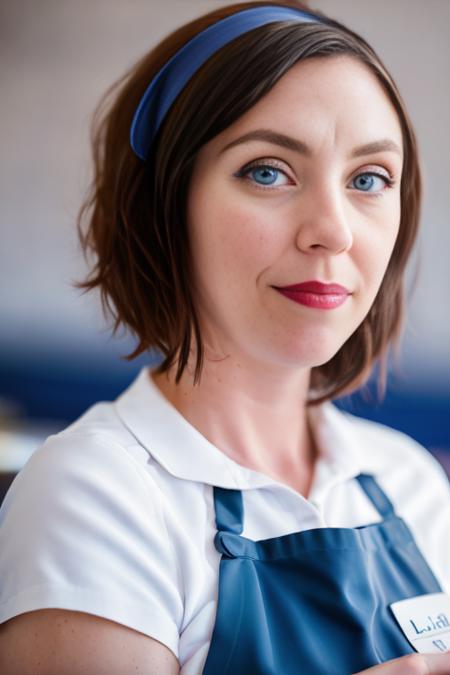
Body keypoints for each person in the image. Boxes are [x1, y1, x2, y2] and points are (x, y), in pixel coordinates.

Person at [0, 1, 449, 673]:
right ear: (165, 207)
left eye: (368, 179)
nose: (334, 230)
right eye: (267, 170)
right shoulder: (94, 495)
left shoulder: (409, 481)